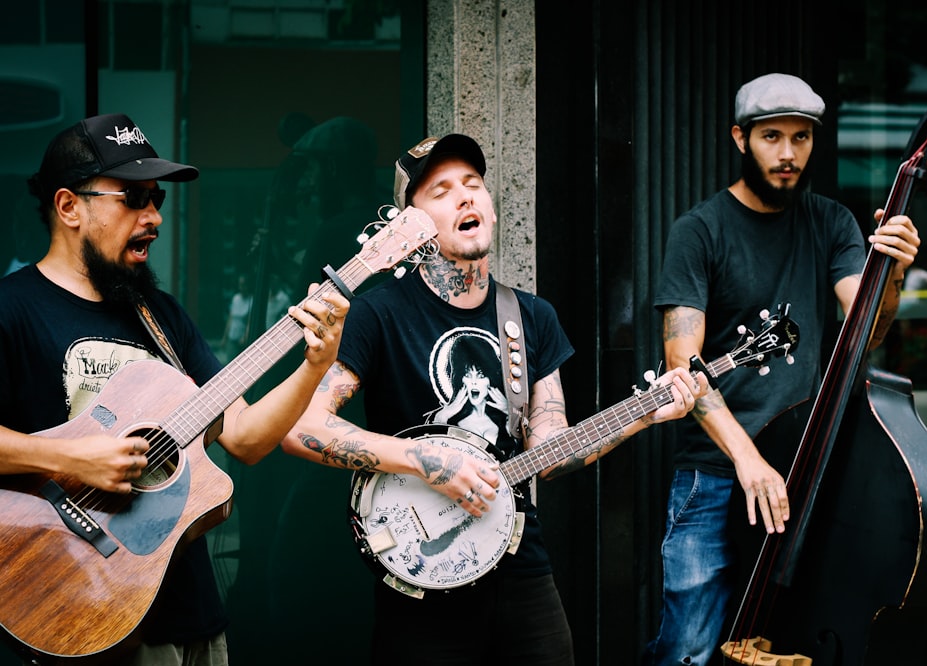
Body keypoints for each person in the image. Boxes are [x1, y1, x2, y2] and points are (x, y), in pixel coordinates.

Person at [280, 133, 706, 665]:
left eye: (473, 184)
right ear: (407, 227)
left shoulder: (530, 317)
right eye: (440, 191)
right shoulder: (377, 315)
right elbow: (299, 427)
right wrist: (425, 461)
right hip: (419, 571)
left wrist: (645, 415)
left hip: (519, 566)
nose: (464, 197)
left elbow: (550, 449)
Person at [0, 112, 349, 666]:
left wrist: (315, 364)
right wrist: (73, 458)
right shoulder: (11, 310)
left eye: (157, 199)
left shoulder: (159, 316)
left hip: (189, 615)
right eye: (133, 199)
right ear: (69, 206)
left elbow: (246, 438)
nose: (154, 217)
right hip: (80, 603)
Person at [644, 73, 921, 665]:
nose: (789, 154)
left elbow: (864, 331)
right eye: (773, 137)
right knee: (689, 650)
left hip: (804, 473)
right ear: (740, 139)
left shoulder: (831, 222)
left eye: (801, 138)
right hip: (717, 476)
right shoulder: (699, 231)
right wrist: (749, 462)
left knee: (790, 645)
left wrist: (891, 272)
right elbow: (681, 365)